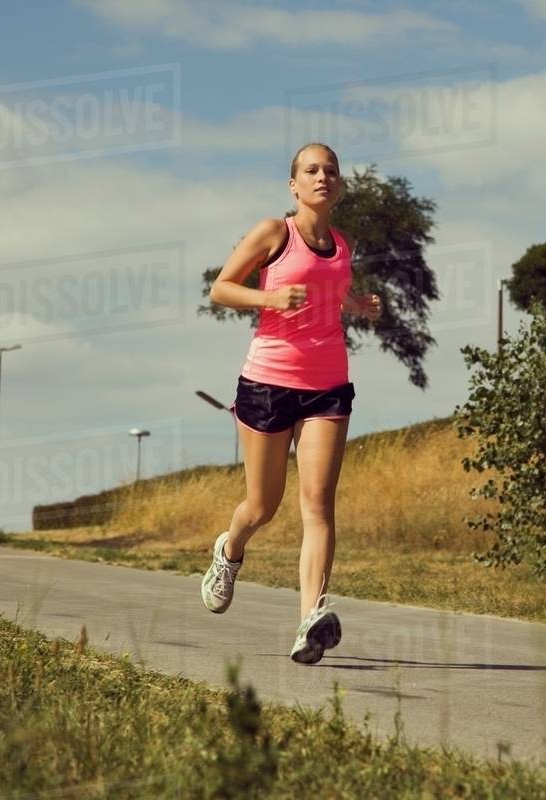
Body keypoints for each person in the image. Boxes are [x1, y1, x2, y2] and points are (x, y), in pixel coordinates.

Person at [200, 142, 381, 665]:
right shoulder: (273, 233)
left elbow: (330, 289)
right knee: (263, 506)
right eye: (311, 170)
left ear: (340, 187)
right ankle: (230, 550)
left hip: (328, 384)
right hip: (267, 382)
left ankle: (310, 619)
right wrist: (268, 299)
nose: (321, 177)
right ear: (293, 184)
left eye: (330, 171)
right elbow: (222, 289)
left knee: (319, 504)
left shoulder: (343, 245)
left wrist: (356, 305)